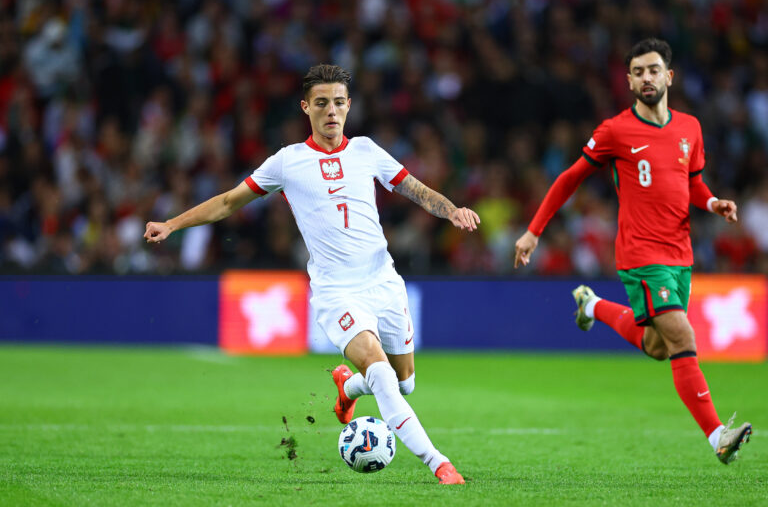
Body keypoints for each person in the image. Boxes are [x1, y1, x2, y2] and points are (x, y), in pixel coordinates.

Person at [144, 64, 478, 484]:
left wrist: (453, 211)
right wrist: (172, 224)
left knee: (403, 383)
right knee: (380, 373)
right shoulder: (288, 162)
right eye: (321, 103)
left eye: (339, 102)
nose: (331, 111)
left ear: (349, 106)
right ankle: (438, 462)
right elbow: (229, 202)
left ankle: (347, 387)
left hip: (384, 282)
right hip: (337, 292)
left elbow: (416, 189)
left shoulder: (368, 151)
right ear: (307, 108)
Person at [513, 38, 752, 464]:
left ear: (669, 76)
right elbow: (570, 178)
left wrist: (713, 201)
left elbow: (691, 182)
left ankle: (593, 307)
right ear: (628, 80)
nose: (646, 78)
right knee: (682, 335)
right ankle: (717, 435)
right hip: (641, 253)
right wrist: (534, 231)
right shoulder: (615, 131)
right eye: (638, 72)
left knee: (661, 346)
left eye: (654, 70)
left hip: (681, 252)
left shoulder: (690, 128)